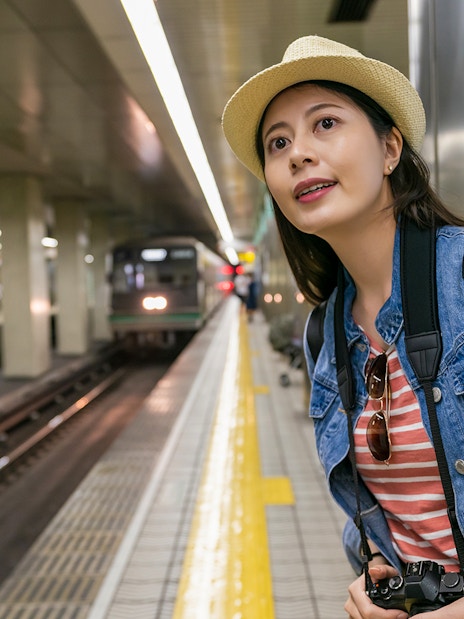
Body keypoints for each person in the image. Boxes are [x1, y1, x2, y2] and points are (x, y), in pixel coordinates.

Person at [222, 35, 464, 618]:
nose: (298, 153)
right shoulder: (325, 334)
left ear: (389, 149)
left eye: (324, 123)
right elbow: (394, 512)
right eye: (278, 143)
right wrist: (375, 570)